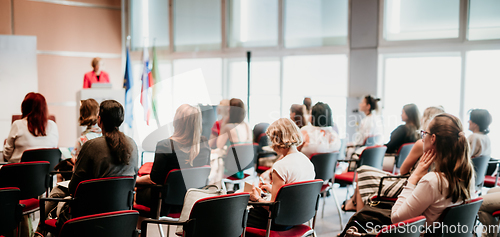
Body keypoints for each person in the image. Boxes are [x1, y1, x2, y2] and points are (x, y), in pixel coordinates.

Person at [35, 100, 138, 235]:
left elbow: (73, 188)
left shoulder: (91, 145)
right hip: (120, 215)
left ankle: (38, 233)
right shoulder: (133, 145)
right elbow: (133, 181)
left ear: (99, 120)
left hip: (88, 215)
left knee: (57, 194)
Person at [342, 106, 444, 212]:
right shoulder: (443, 147)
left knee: (363, 172)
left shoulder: (421, 143)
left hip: (407, 184)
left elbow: (403, 170)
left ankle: (358, 218)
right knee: (364, 172)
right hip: (419, 184)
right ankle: (354, 206)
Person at [391, 113, 474, 225]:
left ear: (433, 138)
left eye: (425, 133)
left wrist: (414, 177)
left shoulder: (432, 181)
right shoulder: (467, 174)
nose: (423, 138)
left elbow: (396, 218)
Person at [135, 104, 210, 214]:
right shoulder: (204, 144)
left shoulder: (165, 145)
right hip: (192, 201)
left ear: (176, 122)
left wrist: (135, 181)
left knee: (134, 193)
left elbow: (154, 180)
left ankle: (141, 230)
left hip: (165, 202)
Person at [247, 118, 315, 230]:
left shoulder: (280, 166)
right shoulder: (307, 161)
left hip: (280, 222)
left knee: (237, 216)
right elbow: (294, 190)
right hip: (300, 217)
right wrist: (272, 188)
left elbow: (272, 208)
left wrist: (257, 198)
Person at [54, 99, 102, 182]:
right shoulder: (104, 136)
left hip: (85, 179)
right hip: (101, 176)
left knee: (60, 171)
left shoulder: (82, 140)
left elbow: (76, 161)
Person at [3, 92, 58, 163]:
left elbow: (7, 155)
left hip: (19, 172)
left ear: (24, 107)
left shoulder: (17, 124)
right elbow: (52, 152)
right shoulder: (53, 126)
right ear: (44, 108)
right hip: (46, 173)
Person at [216, 98, 253, 178]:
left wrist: (223, 123)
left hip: (231, 167)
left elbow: (219, 145)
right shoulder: (246, 126)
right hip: (244, 165)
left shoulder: (228, 127)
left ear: (230, 110)